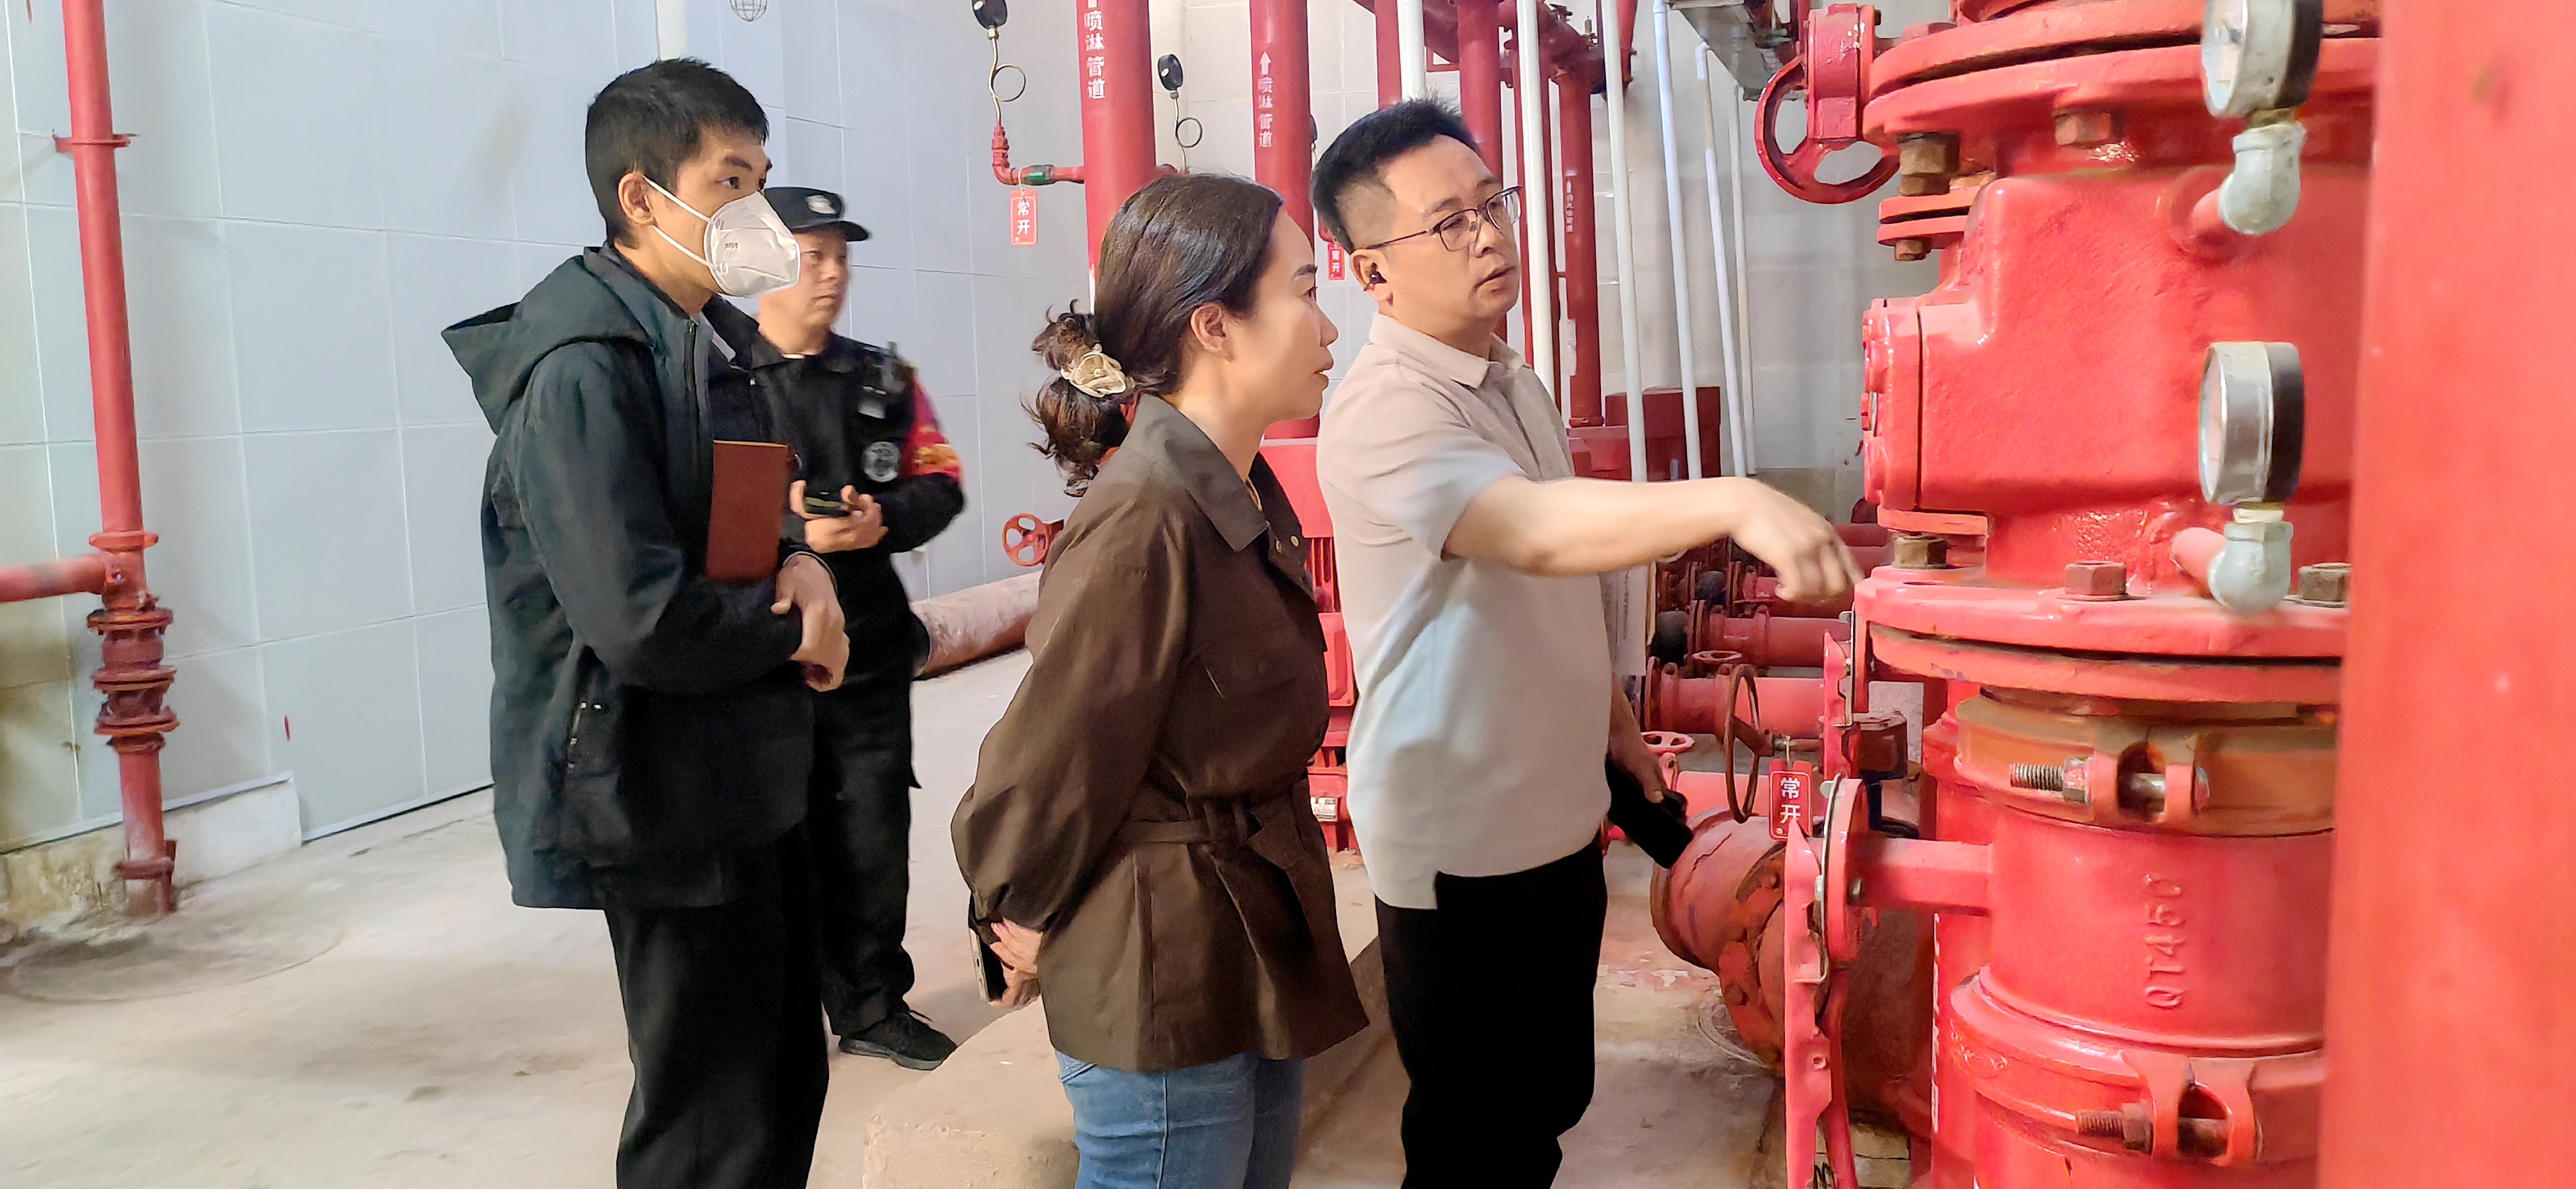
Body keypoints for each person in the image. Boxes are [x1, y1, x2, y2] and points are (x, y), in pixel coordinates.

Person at [1308, 100, 1861, 1188]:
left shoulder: (1508, 378)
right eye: (1448, 223)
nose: (1488, 236)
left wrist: (1614, 727)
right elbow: (1529, 531)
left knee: (1547, 1101)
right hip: (1465, 844)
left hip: (1555, 811)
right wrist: (1735, 498)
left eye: (1492, 205)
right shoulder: (1383, 412)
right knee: (1476, 1140)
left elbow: (1547, 588)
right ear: (1373, 275)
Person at [445, 59, 848, 1189]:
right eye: (731, 181)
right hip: (655, 782)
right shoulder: (585, 369)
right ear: (640, 196)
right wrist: (793, 633)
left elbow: (743, 517)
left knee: (777, 1077)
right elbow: (640, 617)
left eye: (761, 179)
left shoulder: (707, 341)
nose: (758, 212)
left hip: (737, 763)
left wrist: (801, 564)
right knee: (708, 1116)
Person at [952, 174, 1370, 1189]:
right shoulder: (1146, 516)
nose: (1327, 327)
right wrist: (1016, 906)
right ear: (1215, 327)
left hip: (1236, 928)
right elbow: (1056, 749)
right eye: (1304, 292)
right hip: (1158, 961)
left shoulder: (1234, 488)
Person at [740, 186, 964, 1070]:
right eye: (812, 256)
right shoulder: (720, 379)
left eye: (841, 257)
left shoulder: (885, 381)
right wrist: (792, 532)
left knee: (871, 834)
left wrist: (882, 522)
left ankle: (873, 1006)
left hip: (868, 651)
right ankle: (774, 1015)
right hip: (765, 658)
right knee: (771, 841)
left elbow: (940, 483)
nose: (832, 274)